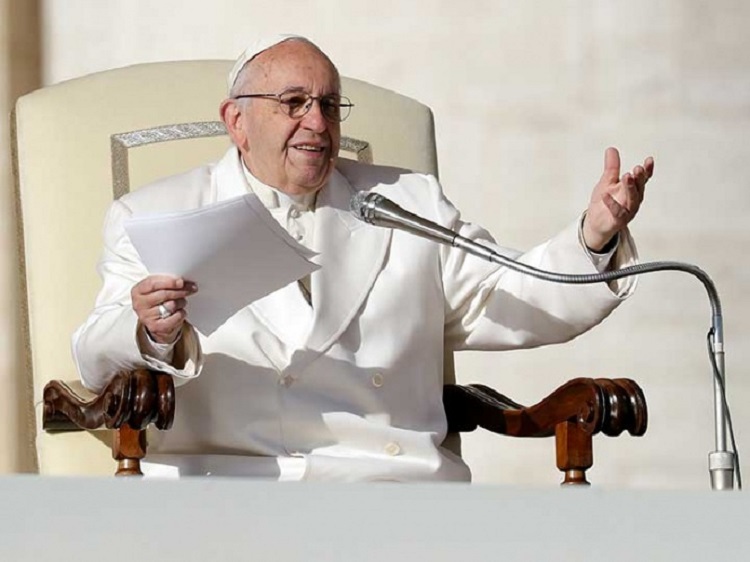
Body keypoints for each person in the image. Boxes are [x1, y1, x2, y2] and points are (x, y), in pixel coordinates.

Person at [73, 34, 654, 481]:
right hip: (235, 491)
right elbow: (94, 357)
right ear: (236, 122)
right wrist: (149, 331)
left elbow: (516, 294)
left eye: (329, 105)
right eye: (293, 103)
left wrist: (594, 236)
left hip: (396, 488)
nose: (317, 123)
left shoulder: (406, 202)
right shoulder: (155, 213)